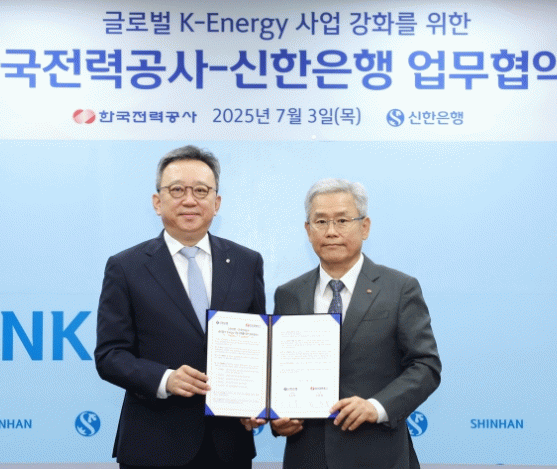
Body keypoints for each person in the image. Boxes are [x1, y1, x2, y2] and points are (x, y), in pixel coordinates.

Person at [95, 145, 266, 469]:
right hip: (154, 444)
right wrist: (165, 379)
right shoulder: (126, 267)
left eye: (201, 191)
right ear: (157, 201)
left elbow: (258, 347)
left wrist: (257, 400)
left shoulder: (247, 262)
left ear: (216, 202)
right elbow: (110, 355)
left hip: (229, 445)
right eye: (177, 190)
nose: (189, 200)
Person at [271, 178, 441, 469]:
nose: (331, 231)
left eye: (342, 220)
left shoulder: (399, 288)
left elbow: (425, 365)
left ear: (365, 226)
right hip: (307, 456)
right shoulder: (288, 294)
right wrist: (277, 418)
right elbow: (278, 371)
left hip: (378, 454)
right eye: (321, 221)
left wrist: (377, 406)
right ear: (308, 230)